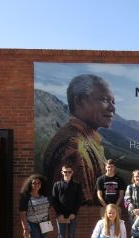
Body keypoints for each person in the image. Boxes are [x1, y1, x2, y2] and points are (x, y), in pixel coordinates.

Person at [43, 74, 116, 204]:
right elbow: (77, 203)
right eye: (104, 99)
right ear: (79, 101)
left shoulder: (84, 139)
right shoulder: (74, 147)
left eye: (113, 102)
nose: (112, 108)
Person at [19, 174, 56, 238]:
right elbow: (22, 213)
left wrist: (50, 221)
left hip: (44, 224)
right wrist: (25, 228)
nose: (36, 185)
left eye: (38, 183)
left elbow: (49, 209)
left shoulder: (45, 196)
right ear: (30, 184)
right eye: (34, 183)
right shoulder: (26, 197)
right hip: (32, 224)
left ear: (41, 184)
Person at [51, 164, 84, 238]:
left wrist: (74, 213)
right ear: (62, 172)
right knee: (61, 236)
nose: (67, 174)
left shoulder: (76, 185)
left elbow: (78, 201)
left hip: (72, 216)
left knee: (71, 236)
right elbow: (54, 201)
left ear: (72, 172)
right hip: (60, 216)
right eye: (65, 172)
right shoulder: (57, 185)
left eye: (69, 172)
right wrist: (59, 214)